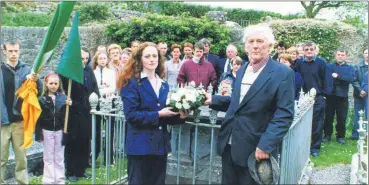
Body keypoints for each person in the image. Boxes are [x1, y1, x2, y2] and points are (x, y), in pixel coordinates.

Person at [204, 23, 295, 185]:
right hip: (229, 145)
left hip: (256, 149)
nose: (255, 46)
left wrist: (266, 145)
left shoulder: (283, 73)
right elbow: (240, 103)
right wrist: (214, 99)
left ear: (270, 46)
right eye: (250, 41)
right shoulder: (242, 69)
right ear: (245, 46)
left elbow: (284, 114)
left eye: (260, 41)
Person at [118, 42, 188, 184]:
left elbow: (166, 115)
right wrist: (158, 114)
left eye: (155, 56)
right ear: (139, 59)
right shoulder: (131, 83)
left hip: (159, 146)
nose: (152, 59)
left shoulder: (164, 84)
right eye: (147, 56)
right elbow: (131, 116)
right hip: (140, 146)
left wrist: (181, 116)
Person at [1, 39, 42, 184]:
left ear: (20, 51)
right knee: (1, 159)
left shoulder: (27, 70)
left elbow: (38, 92)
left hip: (19, 121)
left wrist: (36, 81)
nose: (13, 54)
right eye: (10, 51)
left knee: (21, 159)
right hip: (2, 122)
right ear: (4, 51)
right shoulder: (0, 69)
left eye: (16, 51)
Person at [61, 48, 99, 182]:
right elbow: (63, 90)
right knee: (72, 142)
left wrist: (94, 100)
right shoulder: (68, 73)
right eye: (81, 59)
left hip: (86, 111)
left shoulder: (88, 71)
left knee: (84, 141)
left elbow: (94, 88)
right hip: (72, 112)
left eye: (86, 59)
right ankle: (70, 170)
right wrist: (70, 101)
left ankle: (81, 169)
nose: (83, 61)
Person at [294, 41, 330, 157]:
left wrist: (324, 94)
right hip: (303, 97)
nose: (309, 51)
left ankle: (315, 148)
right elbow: (295, 78)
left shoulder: (321, 63)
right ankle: (301, 146)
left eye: (311, 49)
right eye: (306, 49)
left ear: (315, 50)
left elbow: (327, 80)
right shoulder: (299, 63)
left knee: (317, 123)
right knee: (301, 122)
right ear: (303, 51)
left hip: (318, 97)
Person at [37, 72, 72, 184]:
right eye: (51, 83)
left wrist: (69, 105)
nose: (53, 85)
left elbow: (66, 116)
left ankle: (60, 180)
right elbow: (39, 118)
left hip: (60, 130)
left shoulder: (64, 98)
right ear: (46, 84)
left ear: (59, 84)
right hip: (47, 130)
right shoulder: (42, 99)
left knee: (59, 156)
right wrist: (39, 133)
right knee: (48, 157)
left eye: (56, 83)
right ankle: (49, 180)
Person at [322, 48, 355, 144]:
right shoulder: (329, 66)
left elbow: (350, 79)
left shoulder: (350, 68)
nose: (340, 56)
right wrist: (341, 78)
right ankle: (327, 135)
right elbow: (327, 78)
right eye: (339, 54)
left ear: (346, 56)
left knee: (341, 118)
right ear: (335, 55)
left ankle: (340, 136)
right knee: (328, 117)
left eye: (342, 55)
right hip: (331, 96)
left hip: (342, 96)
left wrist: (338, 76)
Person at [351, 48, 368, 139]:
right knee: (358, 114)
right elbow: (354, 80)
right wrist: (360, 90)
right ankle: (356, 134)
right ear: (363, 54)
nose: (367, 55)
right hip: (359, 94)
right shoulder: (357, 67)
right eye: (366, 53)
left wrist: (366, 90)